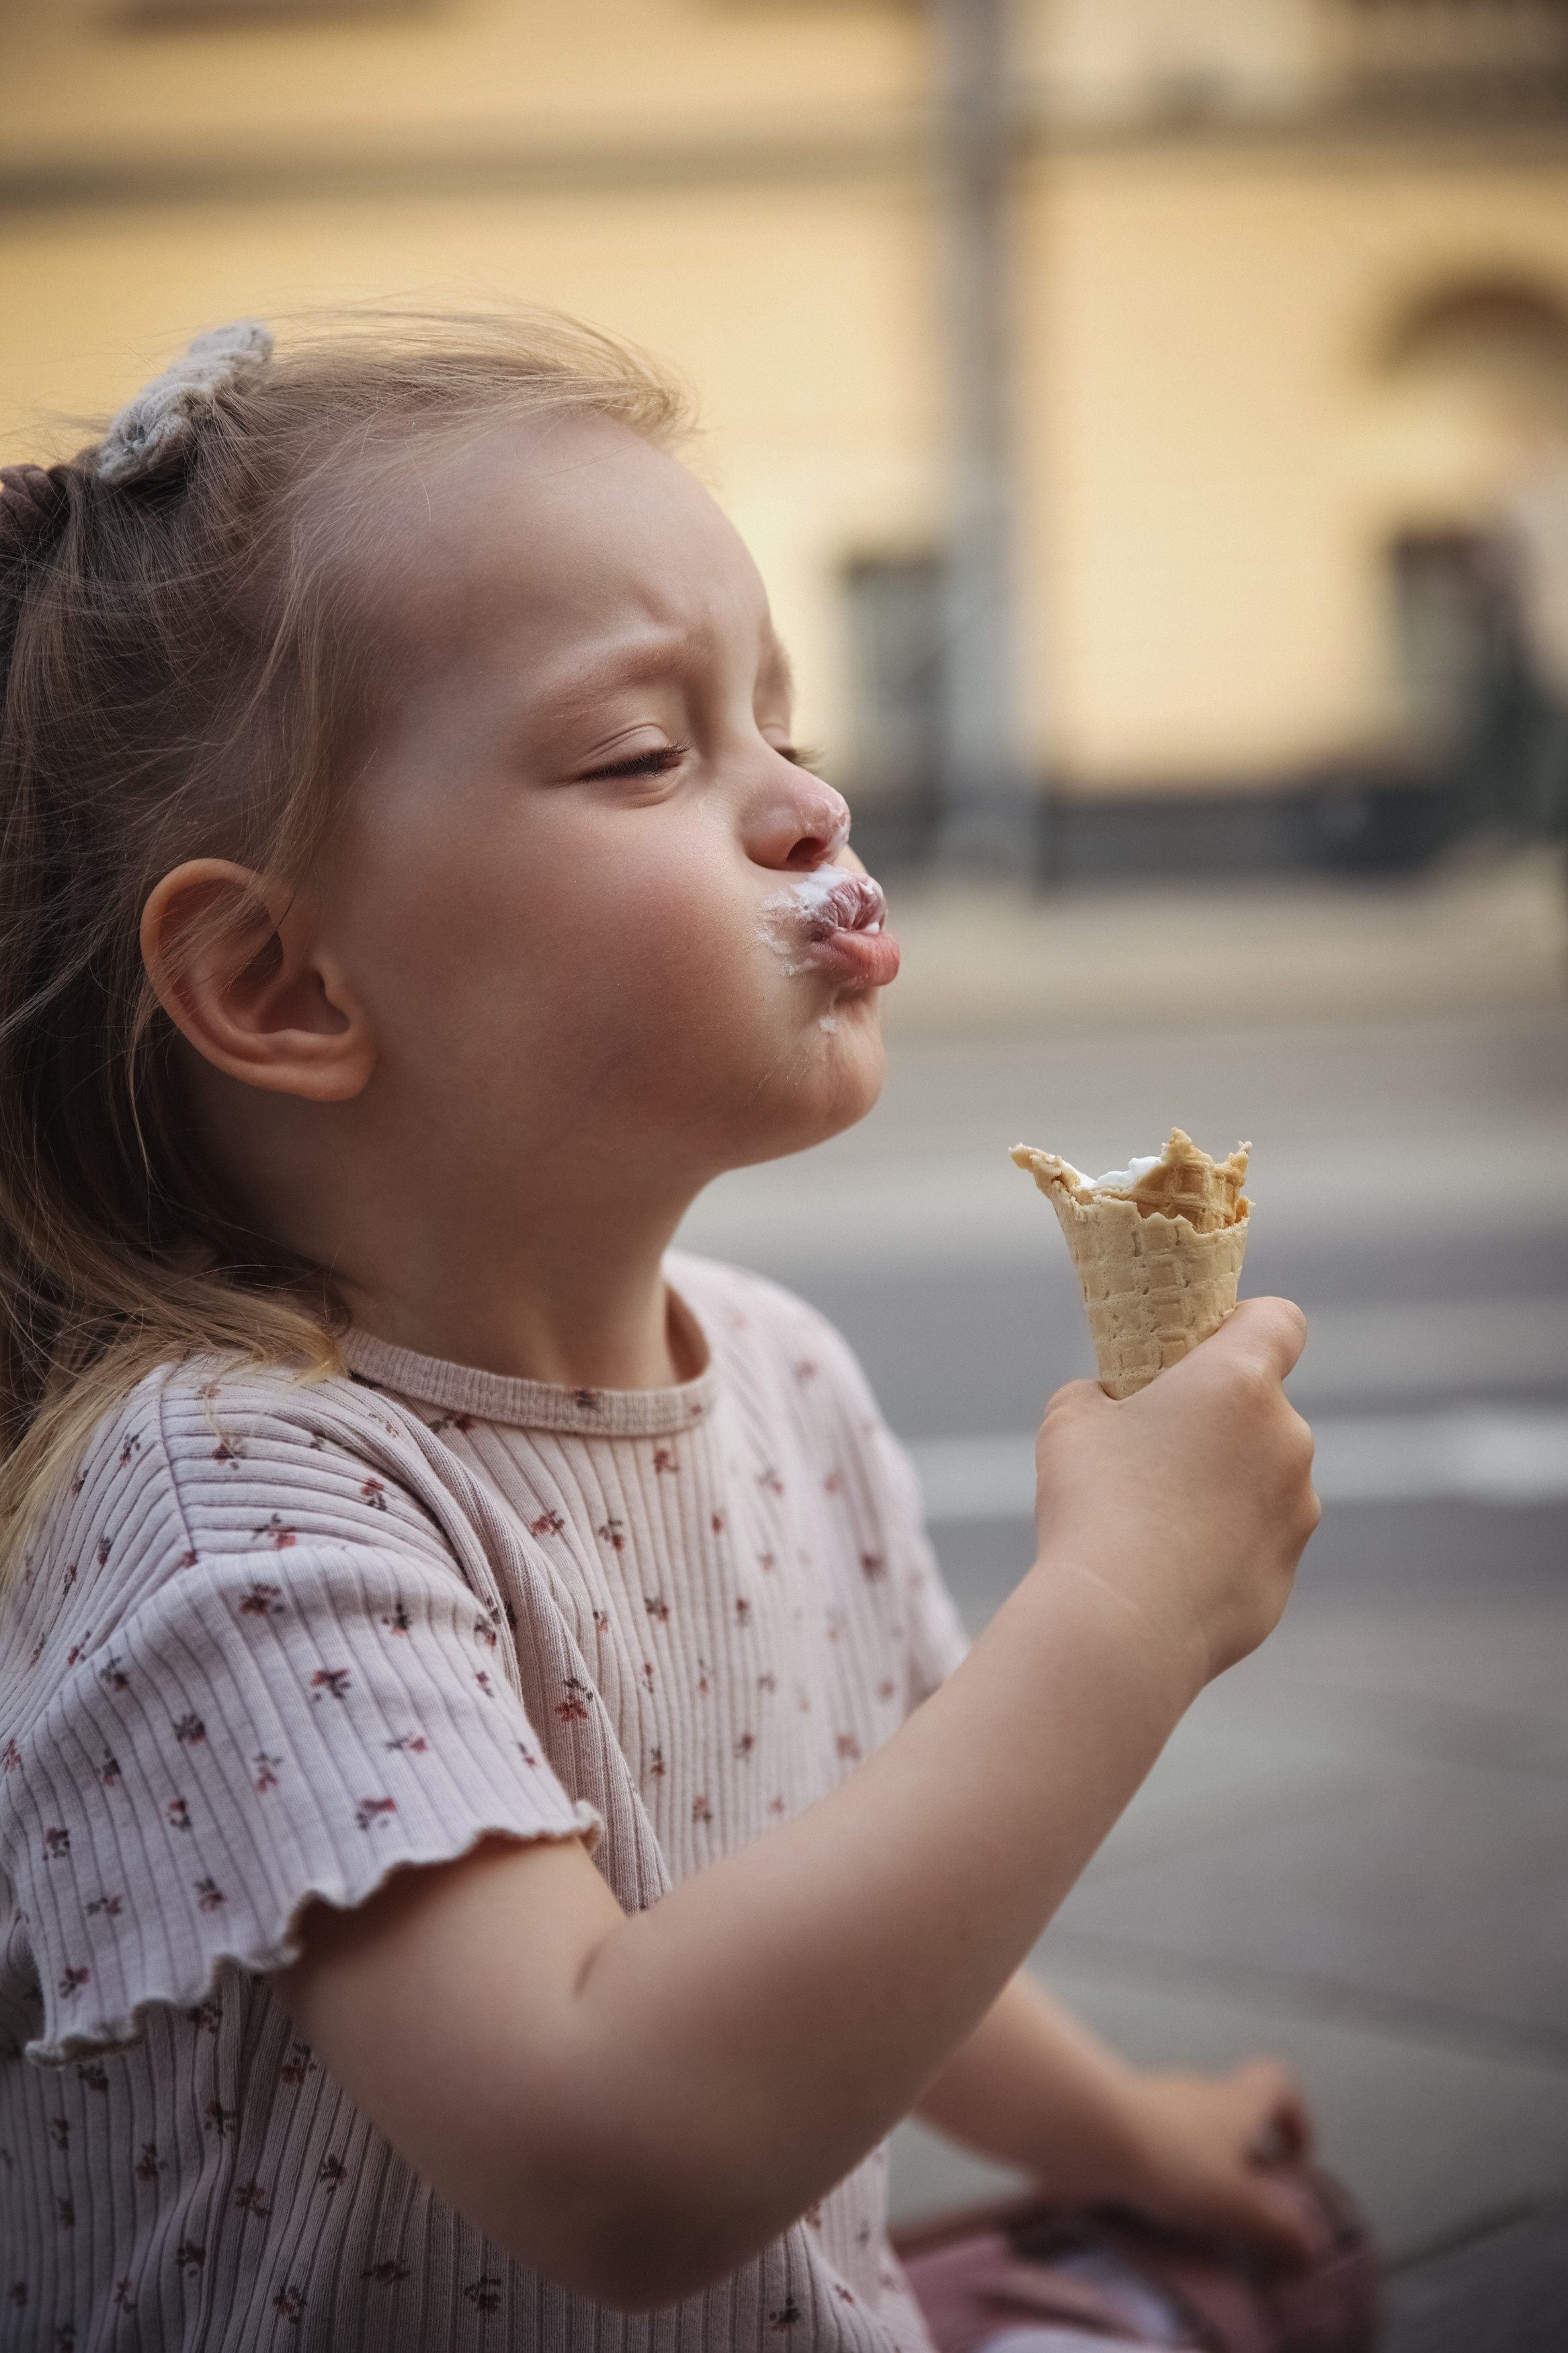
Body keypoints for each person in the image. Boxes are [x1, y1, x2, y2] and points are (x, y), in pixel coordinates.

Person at [0, 315, 1323, 2353]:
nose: (808, 801)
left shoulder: (783, 1375)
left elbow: (867, 1907)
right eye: (647, 750)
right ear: (277, 979)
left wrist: (1131, 2132)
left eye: (780, 719)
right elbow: (618, 2149)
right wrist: (1129, 1605)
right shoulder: (231, 1502)